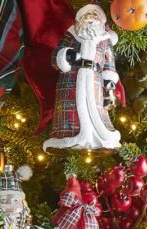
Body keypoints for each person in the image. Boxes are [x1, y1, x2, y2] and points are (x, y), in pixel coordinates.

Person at [44, 4, 122, 152]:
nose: (91, 20)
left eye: (95, 16)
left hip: (95, 81)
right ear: (80, 19)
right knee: (71, 109)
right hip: (72, 79)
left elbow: (110, 67)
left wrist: (110, 89)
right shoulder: (71, 35)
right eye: (87, 16)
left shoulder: (105, 40)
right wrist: (67, 55)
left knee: (96, 109)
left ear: (101, 21)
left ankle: (97, 138)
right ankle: (68, 136)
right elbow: (56, 58)